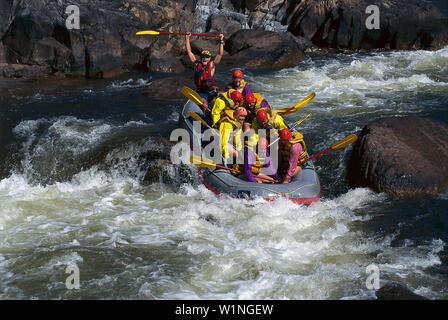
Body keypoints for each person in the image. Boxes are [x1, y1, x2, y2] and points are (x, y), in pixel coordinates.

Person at [185, 32, 225, 114]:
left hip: (211, 91)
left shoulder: (212, 66)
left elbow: (220, 54)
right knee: (204, 103)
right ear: (201, 58)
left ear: (209, 59)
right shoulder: (197, 64)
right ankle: (202, 119)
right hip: (201, 92)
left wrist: (221, 40)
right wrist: (187, 38)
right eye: (203, 57)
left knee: (219, 103)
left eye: (207, 57)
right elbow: (189, 52)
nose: (205, 59)